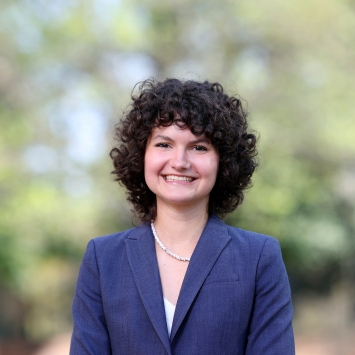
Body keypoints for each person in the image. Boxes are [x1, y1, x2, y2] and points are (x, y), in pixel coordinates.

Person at [70, 78, 295, 354]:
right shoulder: (102, 259)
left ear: (223, 162)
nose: (179, 162)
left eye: (199, 147)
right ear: (142, 155)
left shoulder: (259, 257)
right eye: (164, 144)